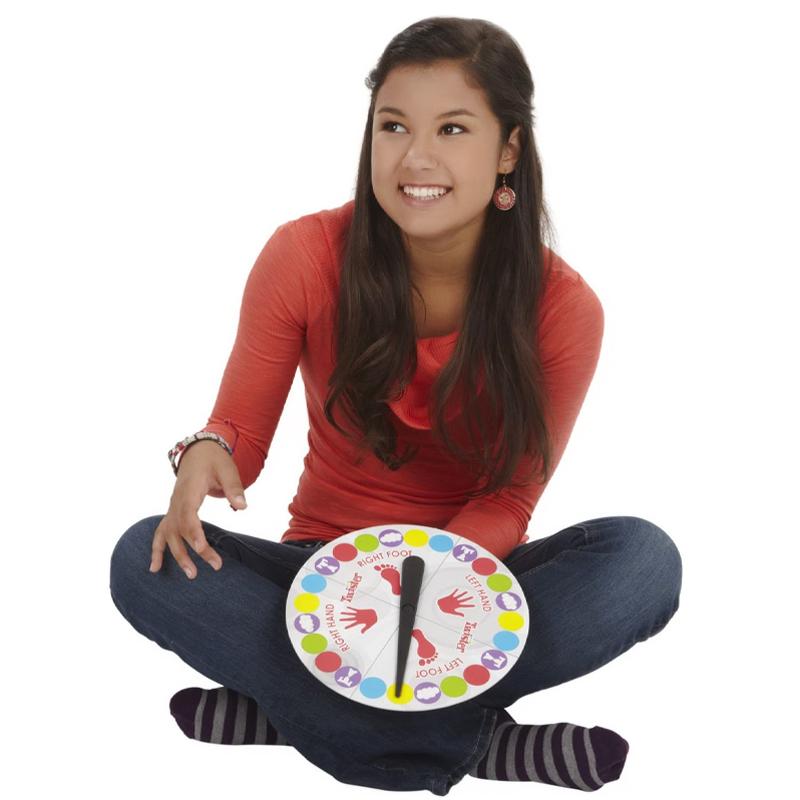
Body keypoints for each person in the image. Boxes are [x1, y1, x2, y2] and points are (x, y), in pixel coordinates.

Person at [109, 16, 682, 797]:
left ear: (508, 149)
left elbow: (511, 499)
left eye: (453, 128)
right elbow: (236, 434)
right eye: (394, 126)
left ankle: (293, 711)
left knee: (642, 560)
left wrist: (420, 590)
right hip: (320, 581)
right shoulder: (304, 254)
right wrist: (206, 451)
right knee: (143, 557)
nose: (415, 157)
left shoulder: (563, 308)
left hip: (466, 590)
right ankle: (477, 744)